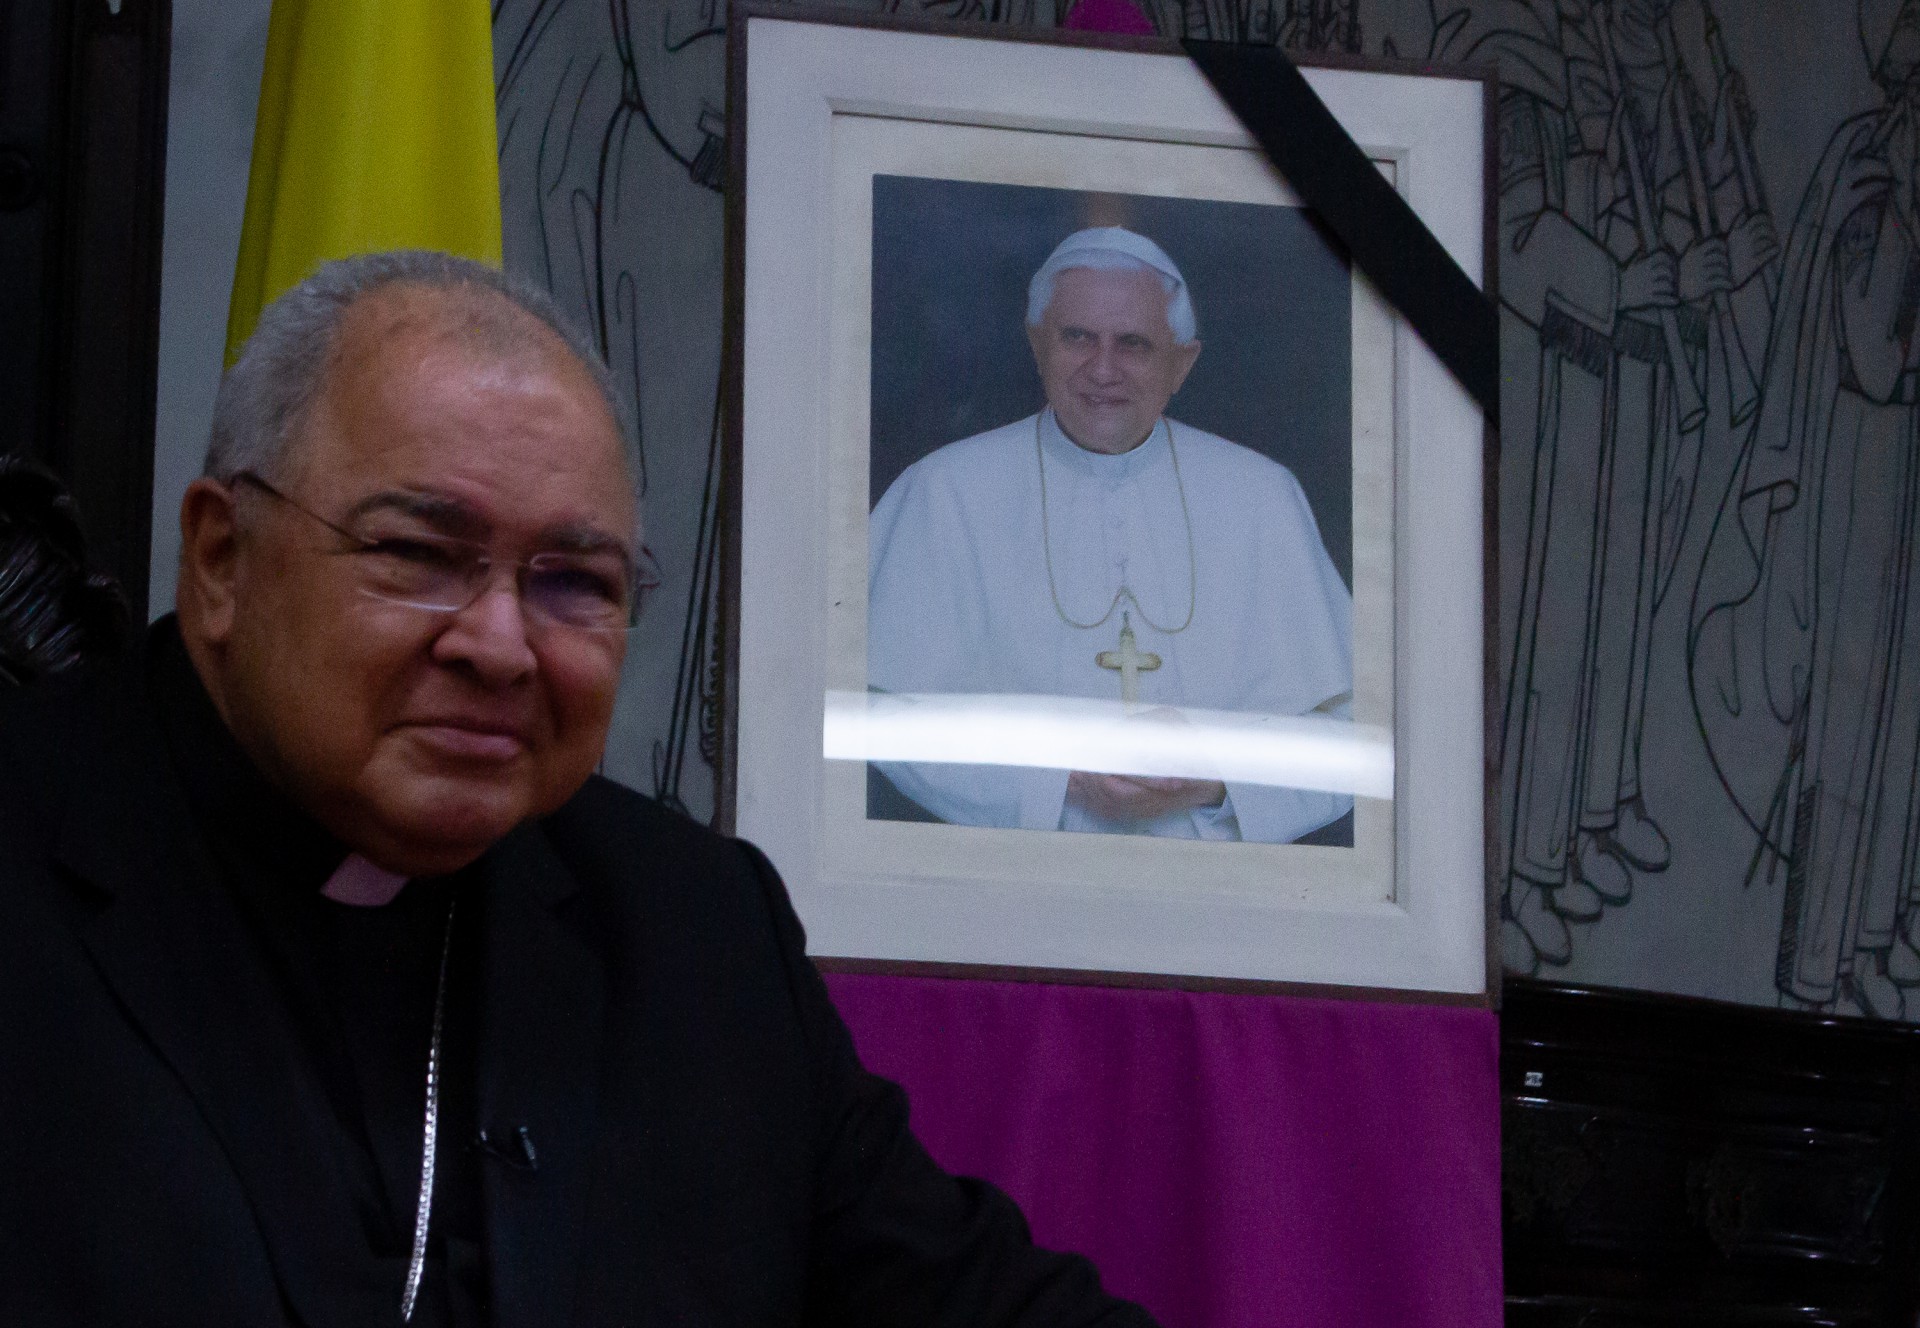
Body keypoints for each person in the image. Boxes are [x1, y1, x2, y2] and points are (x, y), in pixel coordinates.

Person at [0, 251, 1157, 1326]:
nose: (501, 644)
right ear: (221, 558)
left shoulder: (695, 928)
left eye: (573, 582)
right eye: (418, 553)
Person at [866, 226, 1353, 844]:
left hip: (1216, 897)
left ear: (1182, 362)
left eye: (1134, 344)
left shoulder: (1262, 495)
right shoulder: (944, 490)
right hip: (1008, 884)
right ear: (1038, 343)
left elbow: (1349, 732)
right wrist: (1054, 778)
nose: (1103, 369)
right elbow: (876, 714)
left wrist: (1217, 776)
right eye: (1077, 338)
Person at [1690, 0, 1920, 1020]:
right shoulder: (1876, 187)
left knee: (1899, 728)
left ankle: (1872, 936)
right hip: (1863, 489)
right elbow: (1875, 354)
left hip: (1899, 494)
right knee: (1849, 732)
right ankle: (1817, 962)